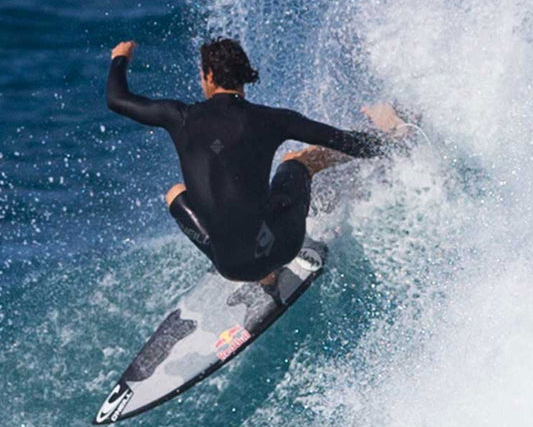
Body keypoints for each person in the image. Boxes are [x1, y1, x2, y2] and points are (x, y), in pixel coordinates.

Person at [106, 36, 407, 284]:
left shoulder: (179, 117)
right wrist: (383, 140)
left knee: (175, 195)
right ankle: (317, 210)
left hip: (230, 267)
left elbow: (117, 99)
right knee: (298, 160)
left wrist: (120, 58)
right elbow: (343, 141)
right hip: (281, 247)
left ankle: (265, 279)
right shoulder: (273, 119)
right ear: (243, 76)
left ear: (209, 76)